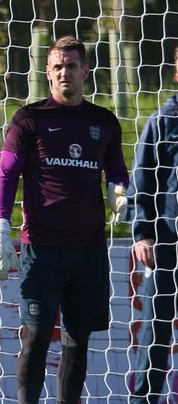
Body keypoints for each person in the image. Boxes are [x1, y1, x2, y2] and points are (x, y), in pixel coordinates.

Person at [0, 36, 129, 403]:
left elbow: (116, 170)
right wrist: (0, 227)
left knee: (77, 345)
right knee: (35, 338)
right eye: (58, 66)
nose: (65, 72)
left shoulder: (103, 122)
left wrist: (120, 189)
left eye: (72, 66)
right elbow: (6, 175)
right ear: (48, 72)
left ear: (86, 72)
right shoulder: (29, 119)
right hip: (42, 250)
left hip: (89, 252)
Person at [129, 45, 178, 404]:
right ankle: (146, 399)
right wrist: (143, 233)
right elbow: (142, 184)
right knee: (156, 331)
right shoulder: (162, 122)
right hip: (167, 244)